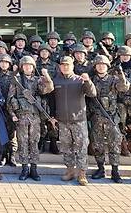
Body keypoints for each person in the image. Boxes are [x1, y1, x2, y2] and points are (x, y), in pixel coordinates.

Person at [43, 56, 96, 186]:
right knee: (66, 147)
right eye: (63, 65)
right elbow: (51, 100)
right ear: (60, 67)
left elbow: (92, 94)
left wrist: (88, 81)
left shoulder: (79, 80)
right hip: (62, 121)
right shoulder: (55, 81)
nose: (65, 67)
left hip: (78, 120)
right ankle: (70, 171)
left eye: (68, 65)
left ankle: (82, 173)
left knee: (81, 147)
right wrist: (52, 116)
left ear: (72, 66)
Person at [7, 56, 54, 181]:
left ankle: (34, 168)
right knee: (23, 143)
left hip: (35, 117)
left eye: (30, 65)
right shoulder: (16, 81)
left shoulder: (38, 80)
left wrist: (47, 76)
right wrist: (13, 114)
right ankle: (24, 168)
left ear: (33, 67)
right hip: (22, 117)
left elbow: (48, 89)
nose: (28, 67)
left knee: (34, 143)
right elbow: (10, 99)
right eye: (25, 65)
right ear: (22, 67)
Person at [89, 55, 129, 183]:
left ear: (107, 66)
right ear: (95, 67)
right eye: (98, 64)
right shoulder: (91, 80)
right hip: (97, 117)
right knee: (97, 145)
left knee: (114, 145)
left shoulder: (114, 79)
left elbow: (124, 88)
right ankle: (101, 169)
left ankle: (115, 170)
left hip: (112, 117)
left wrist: (121, 73)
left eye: (104, 65)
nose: (101, 66)